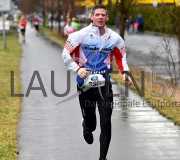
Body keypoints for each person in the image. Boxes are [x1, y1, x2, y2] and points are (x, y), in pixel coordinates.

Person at [61, 4, 133, 160]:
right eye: (98, 14)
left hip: (104, 84)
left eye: (104, 15)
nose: (100, 17)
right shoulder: (80, 35)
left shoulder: (114, 38)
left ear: (107, 18)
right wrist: (77, 68)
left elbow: (121, 57)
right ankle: (86, 127)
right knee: (92, 124)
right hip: (85, 84)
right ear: (91, 17)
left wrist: (125, 72)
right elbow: (66, 54)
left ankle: (102, 158)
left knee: (106, 122)